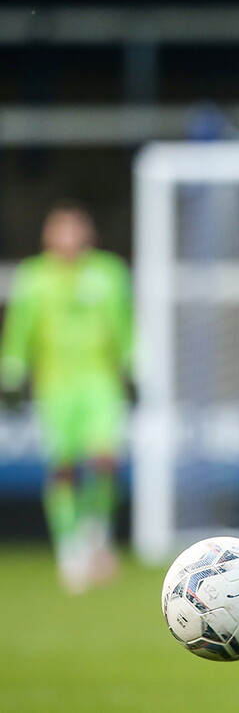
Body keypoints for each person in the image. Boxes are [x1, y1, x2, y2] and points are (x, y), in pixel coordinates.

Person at [0, 200, 134, 593]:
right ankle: (69, 544)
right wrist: (11, 370)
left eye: (76, 228)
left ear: (88, 233)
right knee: (62, 467)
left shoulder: (109, 273)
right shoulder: (34, 277)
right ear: (49, 236)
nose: (69, 237)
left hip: (99, 382)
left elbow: (124, 325)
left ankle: (96, 531)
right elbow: (20, 329)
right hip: (55, 384)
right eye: (62, 229)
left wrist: (134, 363)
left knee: (105, 457)